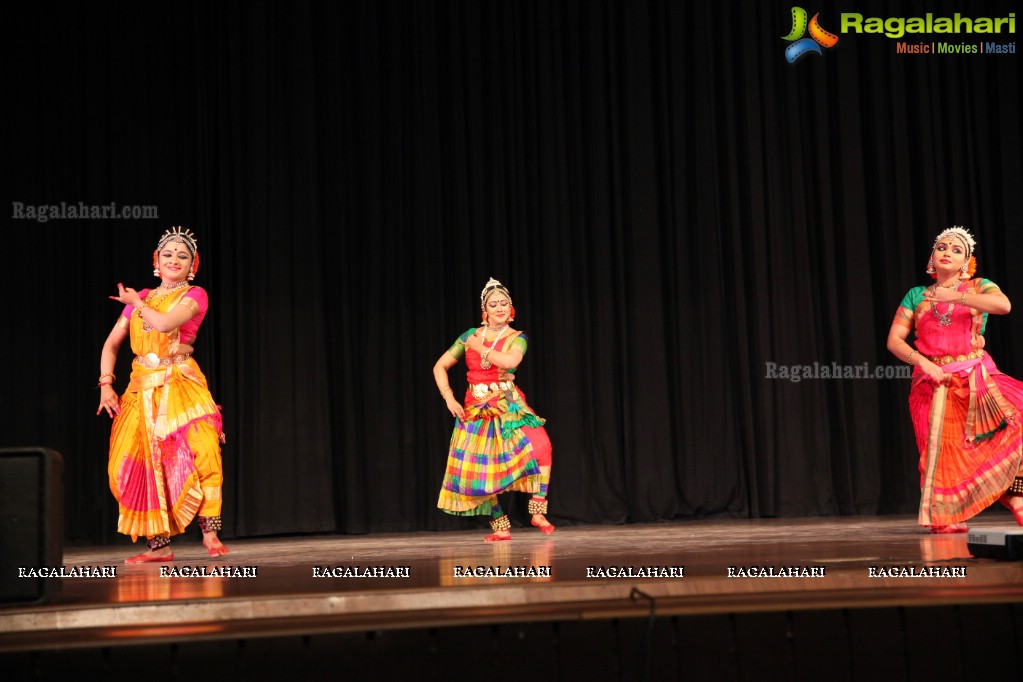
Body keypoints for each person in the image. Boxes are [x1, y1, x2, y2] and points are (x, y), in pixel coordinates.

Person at [97, 226, 229, 562]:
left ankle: (210, 533)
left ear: (192, 265)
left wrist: (137, 303)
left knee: (202, 450)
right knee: (131, 465)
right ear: (156, 260)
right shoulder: (140, 297)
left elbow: (166, 324)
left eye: (182, 256)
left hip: (181, 382)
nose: (174, 259)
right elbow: (112, 344)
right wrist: (106, 384)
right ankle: (159, 546)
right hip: (140, 388)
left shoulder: (196, 294)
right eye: (168, 254)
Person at [887, 226, 1023, 533]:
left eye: (957, 249)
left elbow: (1004, 306)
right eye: (942, 247)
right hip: (931, 383)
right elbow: (895, 341)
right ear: (932, 257)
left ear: (966, 262)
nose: (948, 251)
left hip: (976, 378)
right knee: (939, 452)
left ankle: (1016, 496)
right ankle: (947, 516)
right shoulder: (915, 296)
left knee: (1015, 422)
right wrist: (923, 362)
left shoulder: (979, 286)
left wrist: (958, 297)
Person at [433, 277, 555, 541]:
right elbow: (439, 367)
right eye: (493, 305)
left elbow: (511, 360)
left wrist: (482, 349)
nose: (499, 308)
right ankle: (500, 527)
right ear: (484, 311)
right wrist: (449, 399)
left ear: (511, 309)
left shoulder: (516, 337)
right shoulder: (469, 336)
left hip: (508, 404)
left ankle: (537, 509)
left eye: (504, 304)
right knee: (482, 470)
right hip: (475, 408)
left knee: (542, 446)